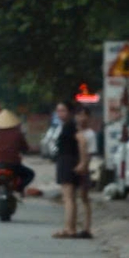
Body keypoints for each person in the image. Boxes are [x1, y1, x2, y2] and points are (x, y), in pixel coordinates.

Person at [0, 107, 34, 193]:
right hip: (14, 165)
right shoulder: (17, 133)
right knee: (30, 174)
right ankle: (19, 188)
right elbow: (25, 147)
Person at [52, 101, 85, 237]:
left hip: (68, 161)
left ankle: (70, 229)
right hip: (64, 161)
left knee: (69, 197)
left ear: (70, 112)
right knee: (68, 197)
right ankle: (69, 227)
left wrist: (83, 162)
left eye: (63, 110)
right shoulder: (64, 125)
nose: (60, 113)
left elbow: (82, 141)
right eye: (58, 111)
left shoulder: (70, 126)